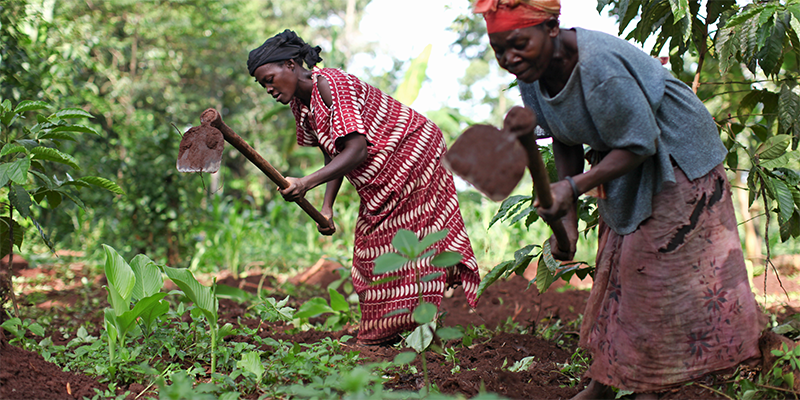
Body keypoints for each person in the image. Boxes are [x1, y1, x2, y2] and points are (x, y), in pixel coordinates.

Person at [473, 0, 765, 398]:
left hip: (676, 154)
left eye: (519, 44)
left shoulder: (599, 68)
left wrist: (573, 188)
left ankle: (649, 384)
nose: (510, 58)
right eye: (499, 50)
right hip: (627, 156)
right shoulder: (533, 73)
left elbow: (641, 143)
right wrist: (569, 224)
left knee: (651, 273)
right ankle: (604, 385)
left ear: (552, 28)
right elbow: (565, 137)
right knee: (616, 265)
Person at [247, 30, 481, 346]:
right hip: (381, 177)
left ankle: (398, 331)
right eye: (263, 85)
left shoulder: (330, 83)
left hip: (413, 152)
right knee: (371, 253)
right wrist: (326, 206)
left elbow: (356, 150)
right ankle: (398, 329)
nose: (269, 89)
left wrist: (305, 183)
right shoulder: (302, 107)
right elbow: (332, 150)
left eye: (270, 79)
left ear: (290, 64)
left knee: (403, 244)